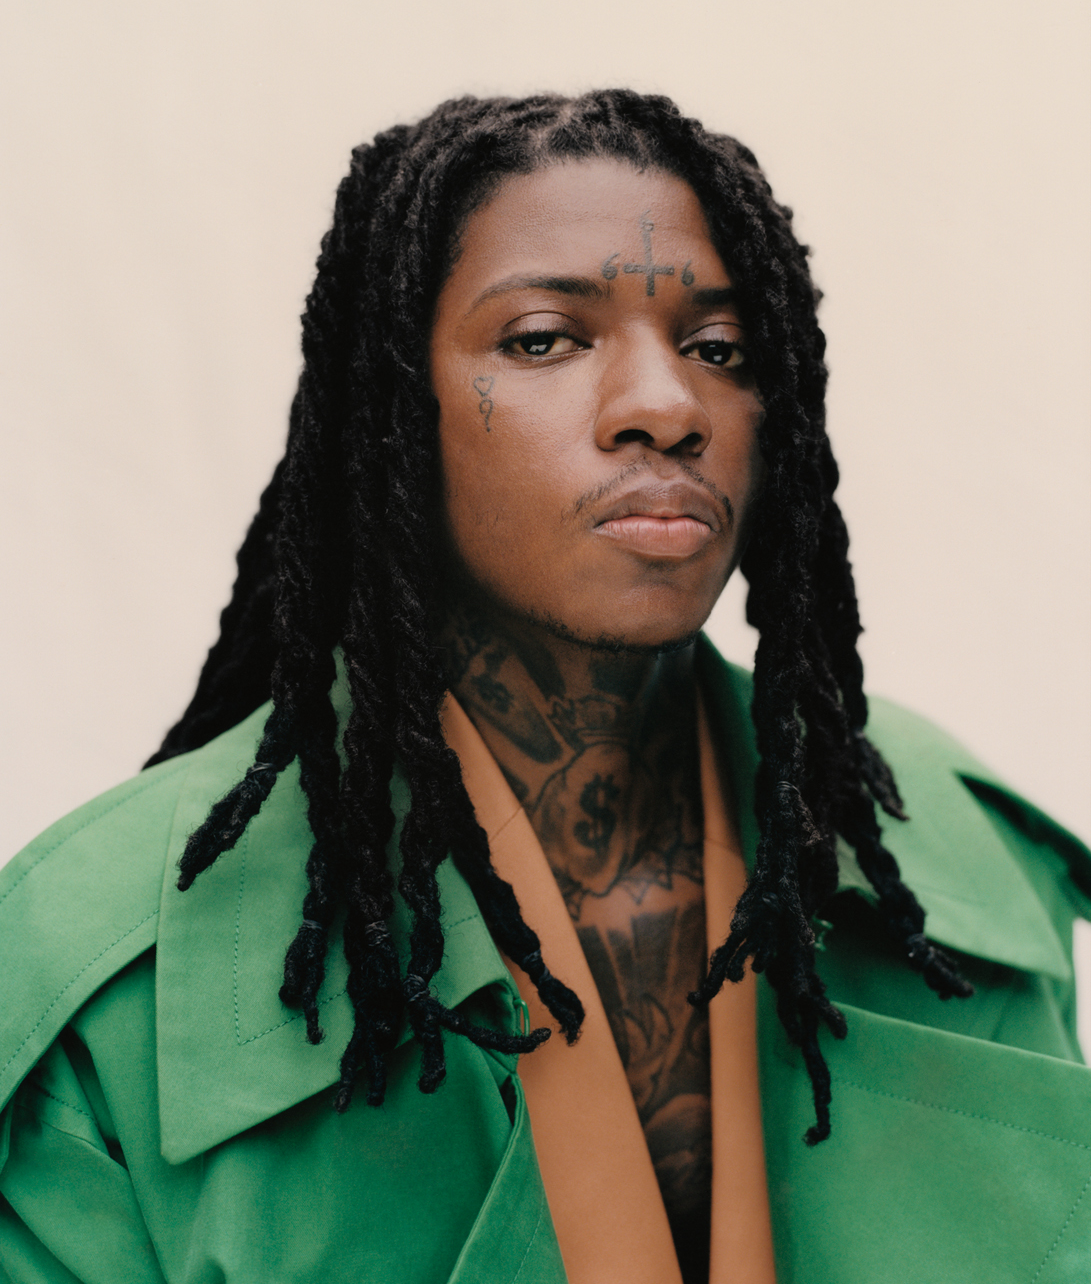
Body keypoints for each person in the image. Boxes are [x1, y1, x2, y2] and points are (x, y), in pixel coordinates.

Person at [0, 90, 1088, 1284]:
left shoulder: (959, 865)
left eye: (719, 350)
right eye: (540, 339)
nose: (666, 407)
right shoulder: (104, 974)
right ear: (387, 412)